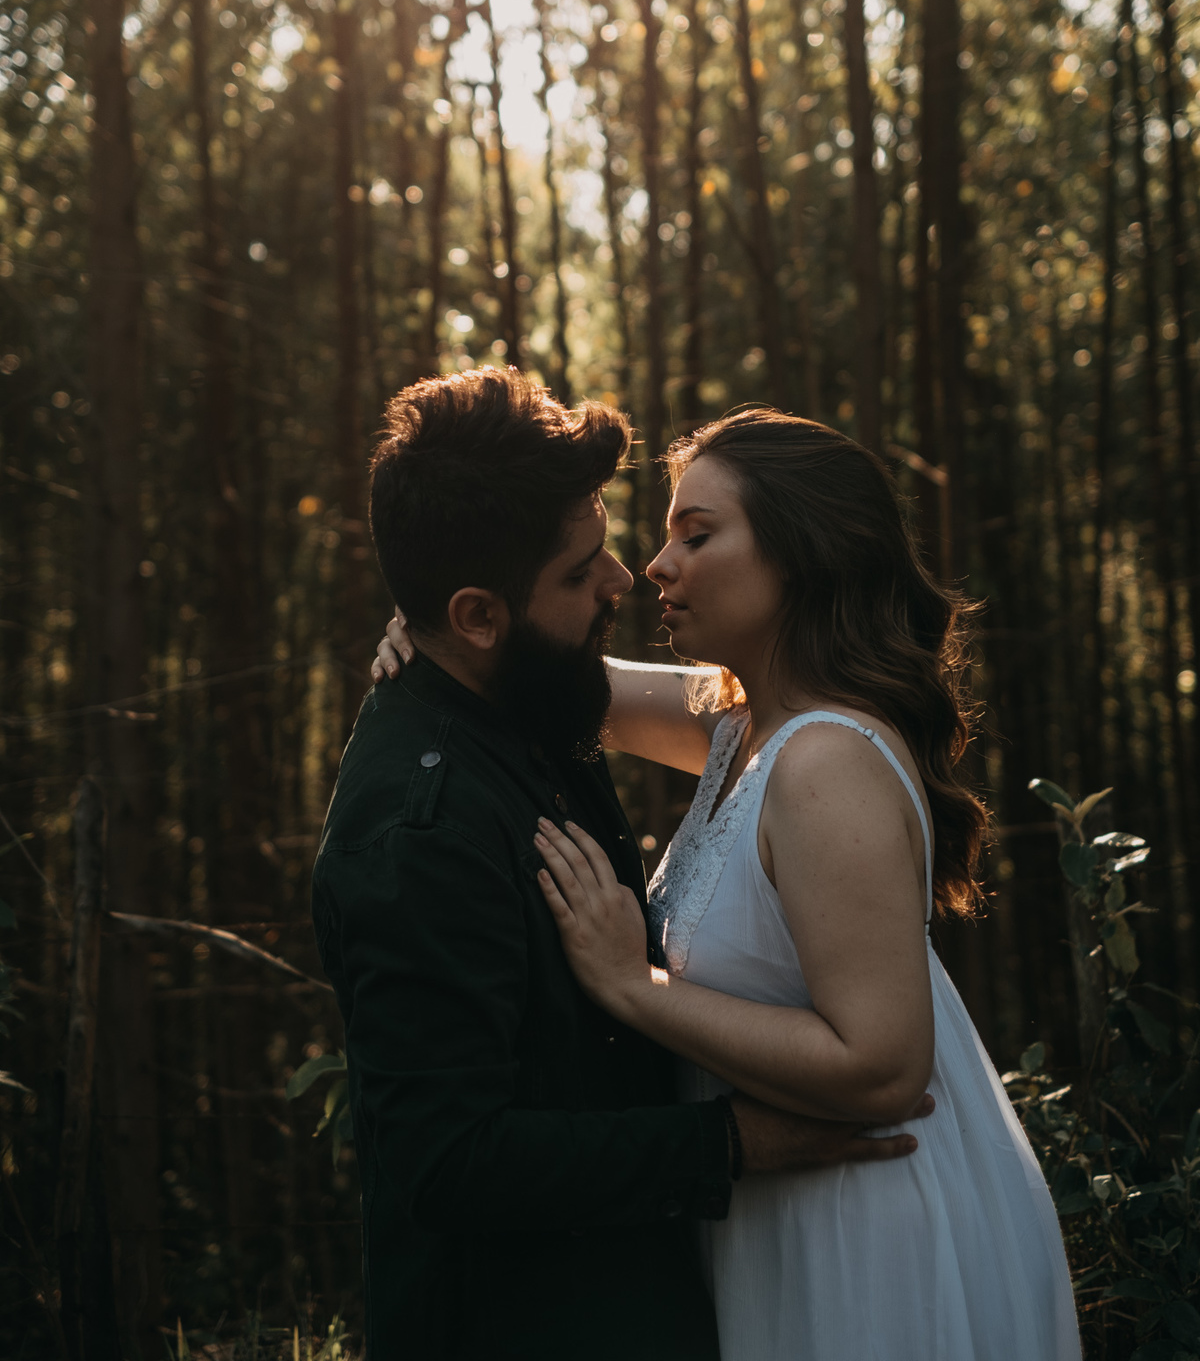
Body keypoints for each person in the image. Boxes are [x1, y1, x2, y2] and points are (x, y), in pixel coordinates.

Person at [322, 369, 928, 1361]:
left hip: (785, 1246)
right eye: (581, 572)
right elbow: (444, 1159)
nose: (632, 576)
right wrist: (728, 1144)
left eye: (691, 535)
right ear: (479, 615)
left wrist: (439, 629)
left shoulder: (574, 699)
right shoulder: (425, 824)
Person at [524, 408, 1082, 1361]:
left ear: (802, 554)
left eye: (696, 535)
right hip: (779, 1221)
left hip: (864, 1238)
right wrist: (425, 633)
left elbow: (882, 1065)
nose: (659, 565)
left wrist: (633, 987)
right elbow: (571, 684)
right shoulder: (743, 728)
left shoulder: (826, 761)